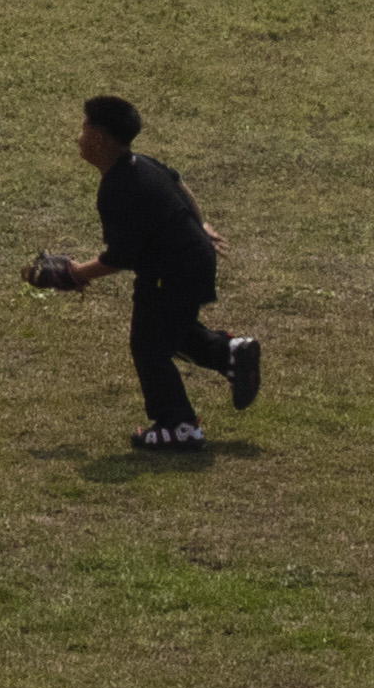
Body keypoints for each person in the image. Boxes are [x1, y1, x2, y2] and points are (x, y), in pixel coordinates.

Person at [40, 95, 262, 451]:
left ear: (99, 139)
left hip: (169, 272)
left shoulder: (116, 189)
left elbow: (120, 257)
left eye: (83, 128)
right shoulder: (142, 164)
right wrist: (197, 224)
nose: (77, 137)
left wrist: (78, 273)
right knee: (169, 332)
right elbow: (179, 185)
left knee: (148, 346)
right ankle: (230, 353)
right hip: (191, 261)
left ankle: (178, 425)